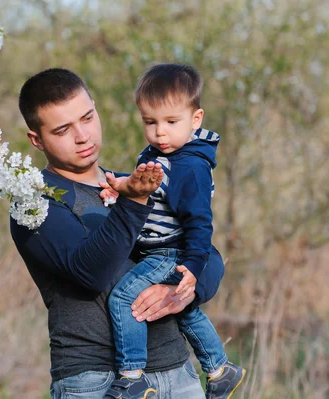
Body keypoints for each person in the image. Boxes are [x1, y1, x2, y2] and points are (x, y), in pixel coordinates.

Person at [12, 68, 227, 399]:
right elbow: (91, 272)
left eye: (87, 118)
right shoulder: (35, 205)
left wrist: (184, 292)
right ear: (36, 139)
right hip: (95, 380)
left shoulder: (132, 183)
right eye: (63, 129)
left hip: (177, 373)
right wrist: (135, 200)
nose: (83, 136)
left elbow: (207, 254)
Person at [99, 63, 245, 399]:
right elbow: (148, 184)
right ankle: (220, 370)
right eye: (150, 123)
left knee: (124, 297)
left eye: (170, 122)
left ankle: (133, 376)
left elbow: (199, 222)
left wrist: (193, 267)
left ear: (196, 119)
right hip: (163, 250)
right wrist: (119, 186)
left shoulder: (189, 166)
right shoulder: (164, 155)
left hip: (171, 252)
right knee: (186, 311)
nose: (159, 133)